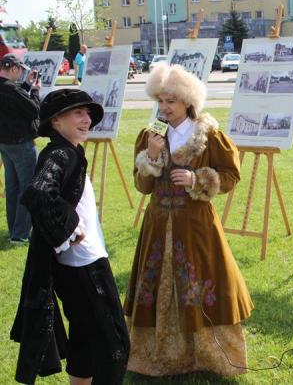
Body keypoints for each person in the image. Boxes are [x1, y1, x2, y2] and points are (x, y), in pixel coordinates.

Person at [125, 62, 253, 377]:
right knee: (155, 286)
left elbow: (231, 175)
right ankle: (156, 357)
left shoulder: (209, 136)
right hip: (157, 225)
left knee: (200, 285)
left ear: (188, 101)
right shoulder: (151, 135)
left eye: (171, 101)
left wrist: (197, 179)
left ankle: (207, 358)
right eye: (160, 100)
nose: (164, 107)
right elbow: (142, 186)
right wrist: (150, 157)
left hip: (196, 226)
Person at [10, 89, 130, 384]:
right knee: (115, 345)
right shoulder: (60, 153)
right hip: (84, 263)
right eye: (78, 113)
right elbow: (38, 193)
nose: (86, 119)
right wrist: (70, 229)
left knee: (84, 335)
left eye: (88, 113)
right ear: (56, 121)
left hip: (73, 263)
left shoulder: (68, 151)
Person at [0, 53, 40, 244]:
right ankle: (21, 233)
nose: (21, 74)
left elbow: (15, 104)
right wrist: (36, 92)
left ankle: (14, 229)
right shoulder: (12, 89)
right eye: (20, 70)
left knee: (12, 188)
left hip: (5, 143)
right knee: (27, 188)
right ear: (14, 68)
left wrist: (26, 86)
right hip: (21, 144)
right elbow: (33, 110)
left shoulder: (9, 88)